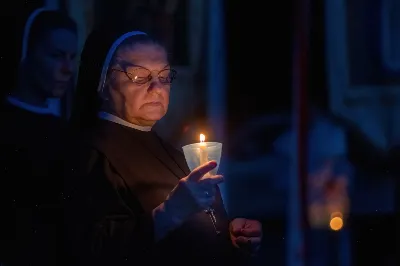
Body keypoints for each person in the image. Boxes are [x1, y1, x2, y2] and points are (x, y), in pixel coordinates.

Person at [64, 25, 263, 266]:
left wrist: (232, 238)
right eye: (139, 76)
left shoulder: (173, 153)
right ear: (103, 82)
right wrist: (169, 213)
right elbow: (90, 251)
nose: (157, 88)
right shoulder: (91, 154)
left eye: (164, 76)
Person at [0, 8, 78, 266]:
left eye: (72, 57)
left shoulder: (65, 132)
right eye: (56, 56)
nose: (67, 69)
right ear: (27, 54)